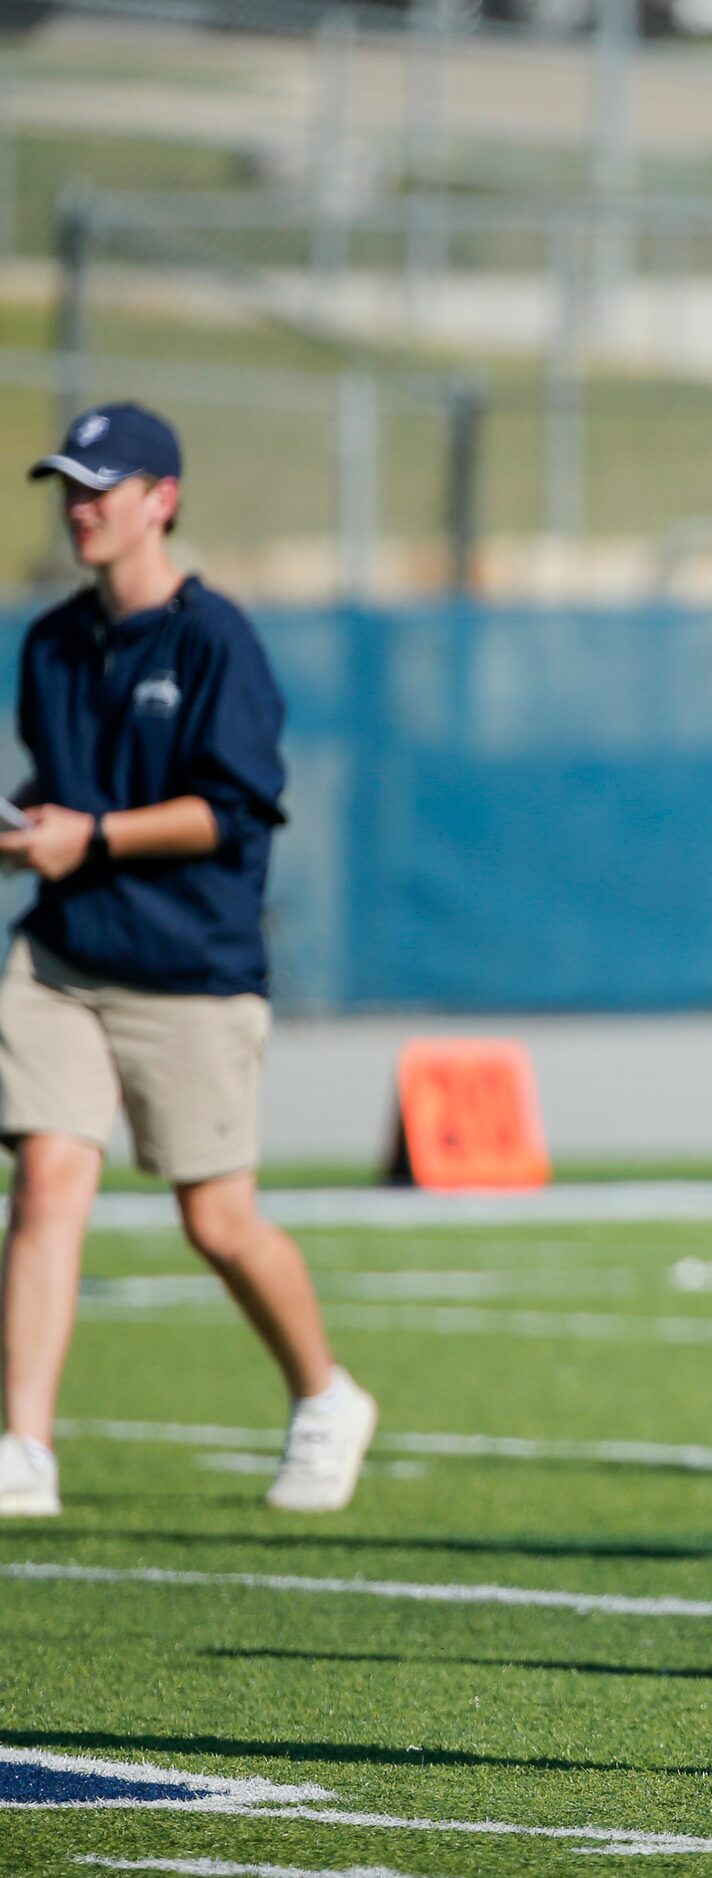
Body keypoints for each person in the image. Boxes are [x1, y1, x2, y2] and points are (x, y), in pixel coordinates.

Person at [0, 402, 377, 1521]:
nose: (80, 506)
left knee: (216, 1219)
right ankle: (23, 1446)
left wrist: (91, 837)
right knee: (48, 1180)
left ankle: (324, 1396)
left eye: (100, 486)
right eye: (67, 485)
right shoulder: (53, 643)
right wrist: (27, 829)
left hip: (190, 967)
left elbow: (237, 810)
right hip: (63, 957)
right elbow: (56, 788)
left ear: (161, 500)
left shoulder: (218, 641)